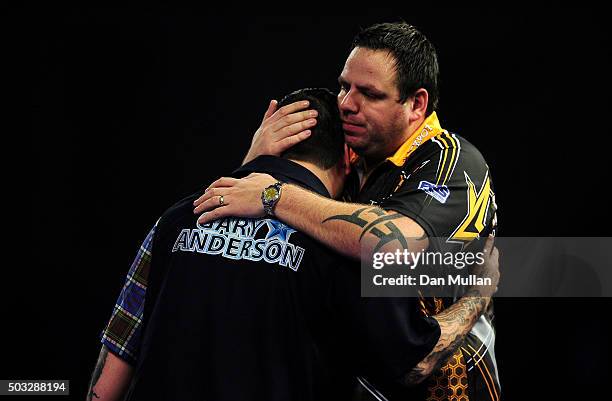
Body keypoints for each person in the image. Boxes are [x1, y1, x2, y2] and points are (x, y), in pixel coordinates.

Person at [87, 88, 499, 401]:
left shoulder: (173, 222)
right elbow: (415, 362)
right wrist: (478, 295)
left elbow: (107, 385)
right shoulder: (342, 246)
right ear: (347, 158)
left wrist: (250, 169)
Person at [194, 22, 500, 400]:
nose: (346, 104)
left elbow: (391, 245)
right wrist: (255, 162)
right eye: (344, 86)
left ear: (416, 105)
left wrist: (274, 192)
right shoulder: (345, 157)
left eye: (370, 94)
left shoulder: (454, 163)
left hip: (440, 387)